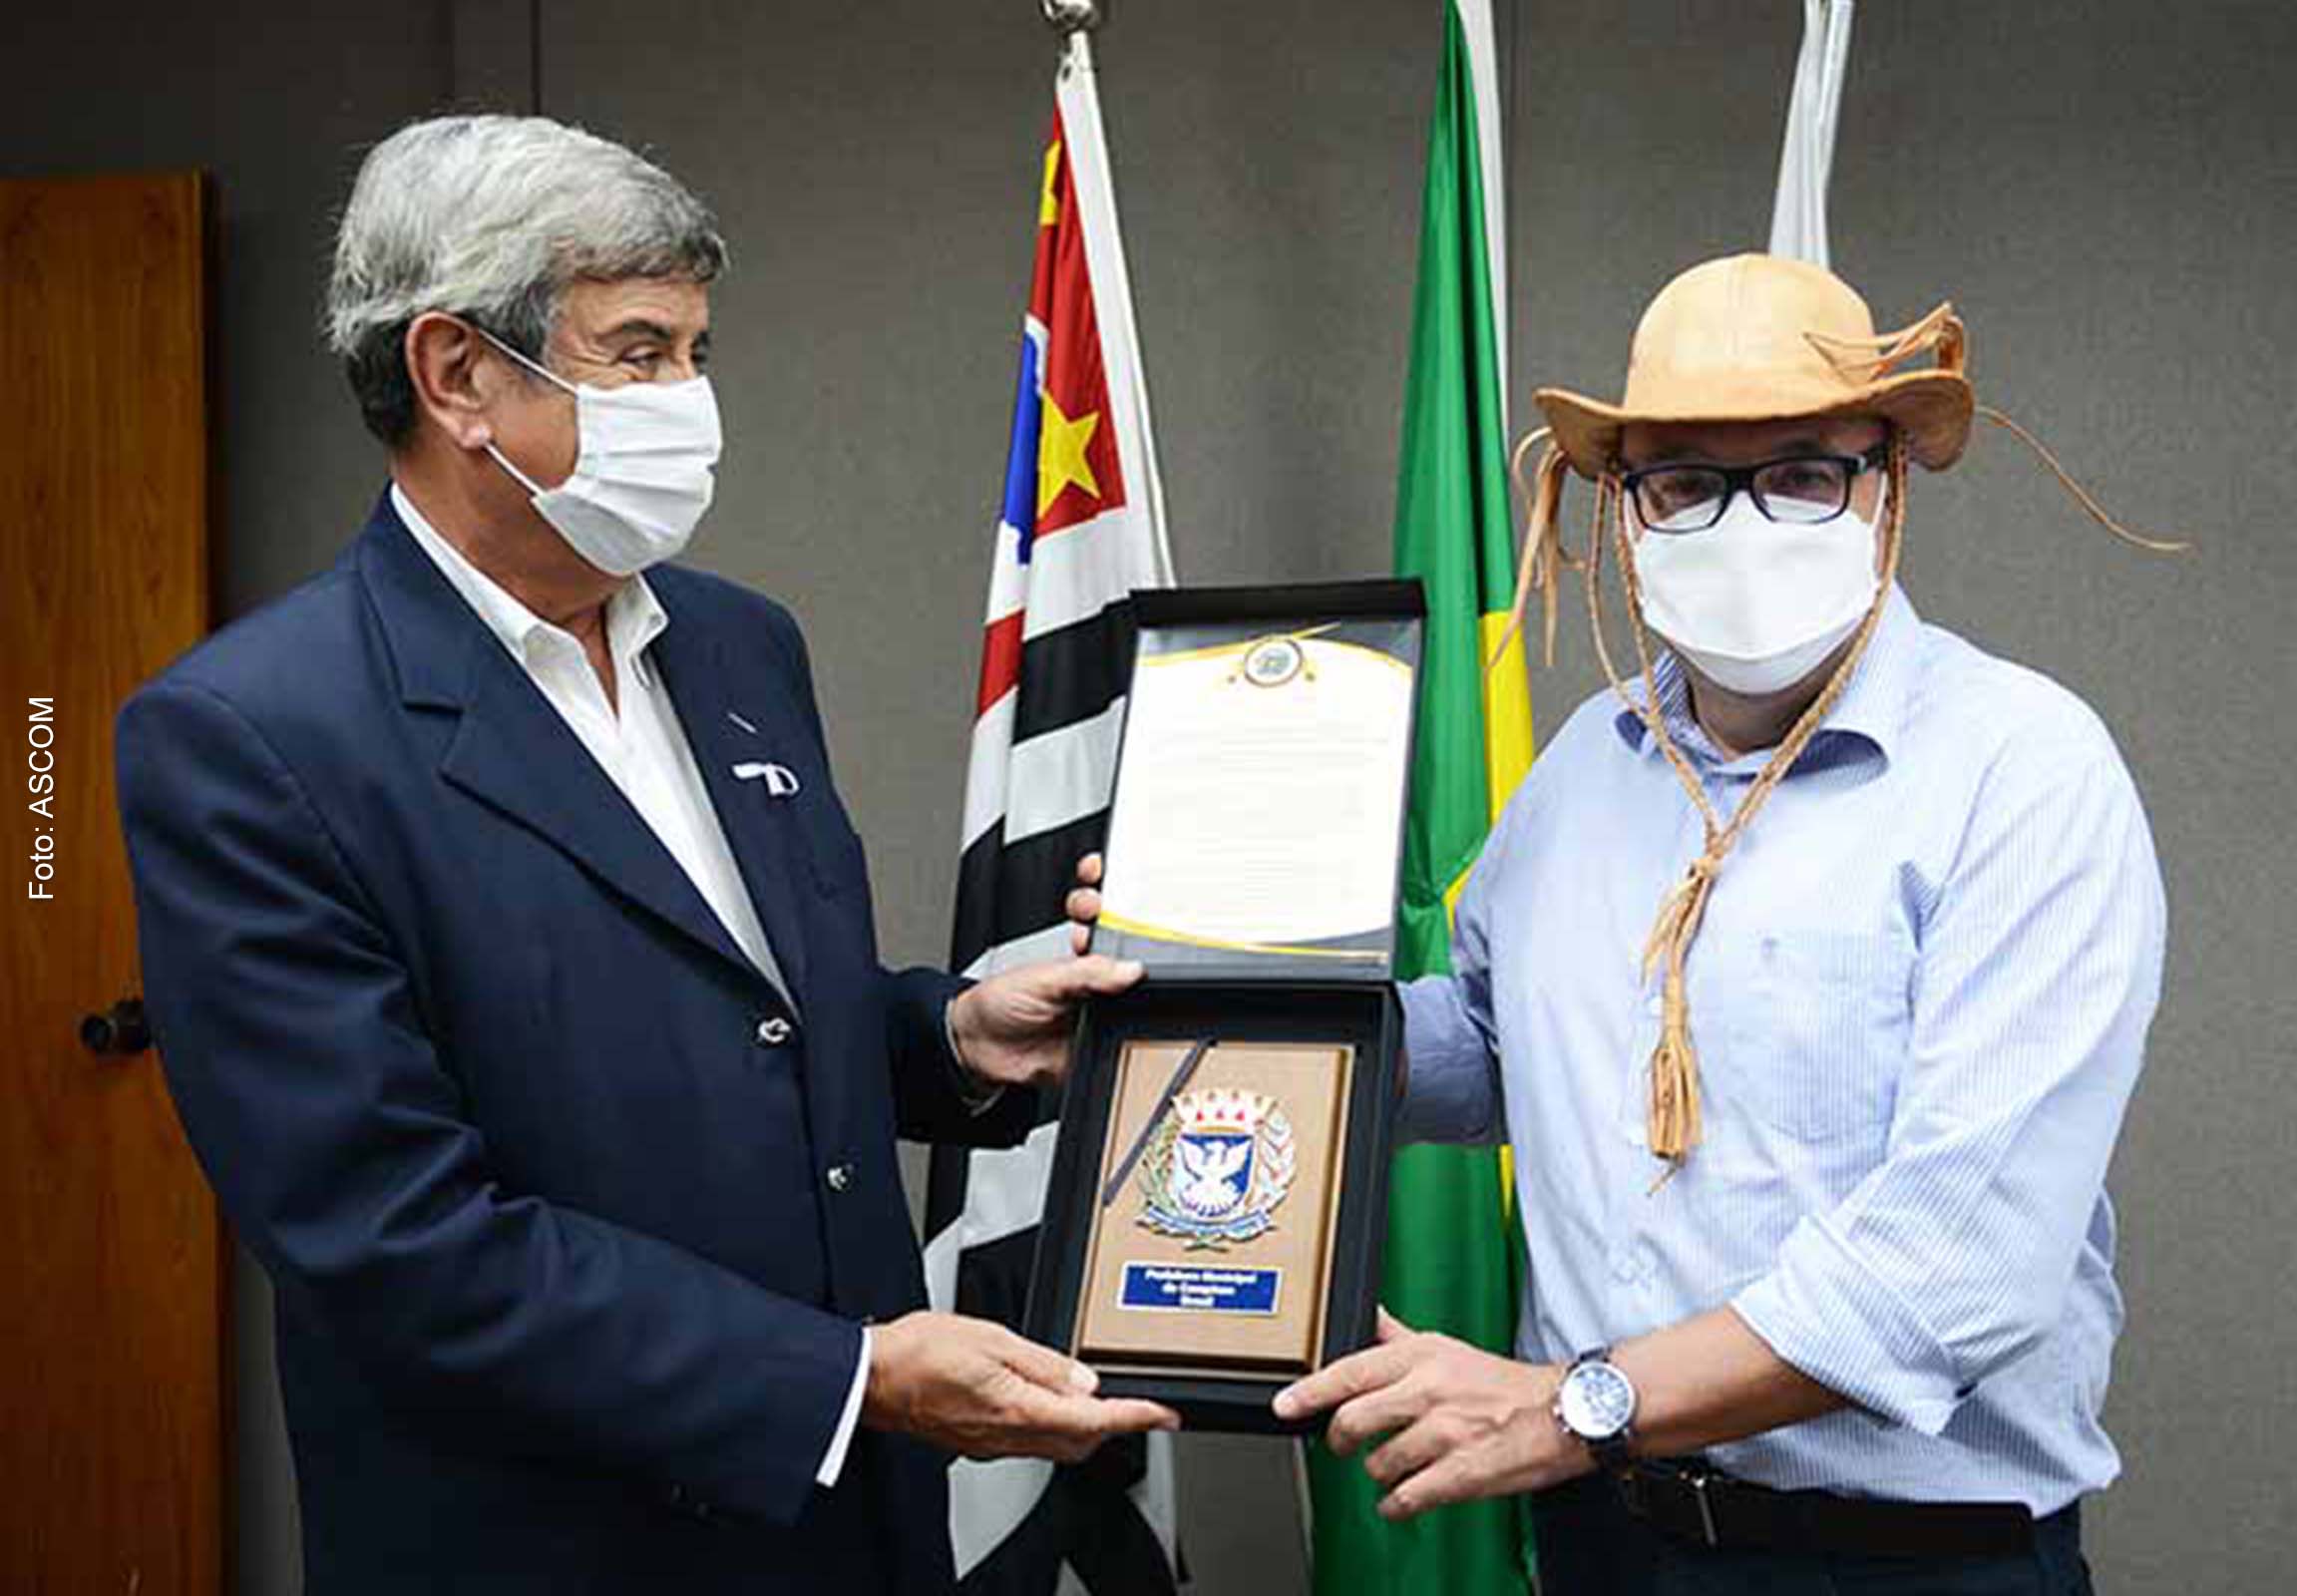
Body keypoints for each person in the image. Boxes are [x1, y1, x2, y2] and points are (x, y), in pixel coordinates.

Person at [114, 114, 1173, 1596]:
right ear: (457, 374)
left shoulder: (739, 645)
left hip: (852, 1535)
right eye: (638, 351)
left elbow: (733, 1017)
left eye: (697, 350)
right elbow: (398, 1243)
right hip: (557, 1545)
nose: (690, 400)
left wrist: (948, 1038)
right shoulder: (251, 739)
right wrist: (846, 1377)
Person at [1090, 254, 2163, 1593]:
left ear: (1885, 488)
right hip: (1610, 1546)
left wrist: (1563, 1407)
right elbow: (1486, 1048)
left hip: (1895, 1564)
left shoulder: (2022, 773)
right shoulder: (1586, 768)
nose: (1744, 524)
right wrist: (1213, 973)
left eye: (1802, 473)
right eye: (1685, 483)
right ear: (1623, 510)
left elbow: (1955, 1272)